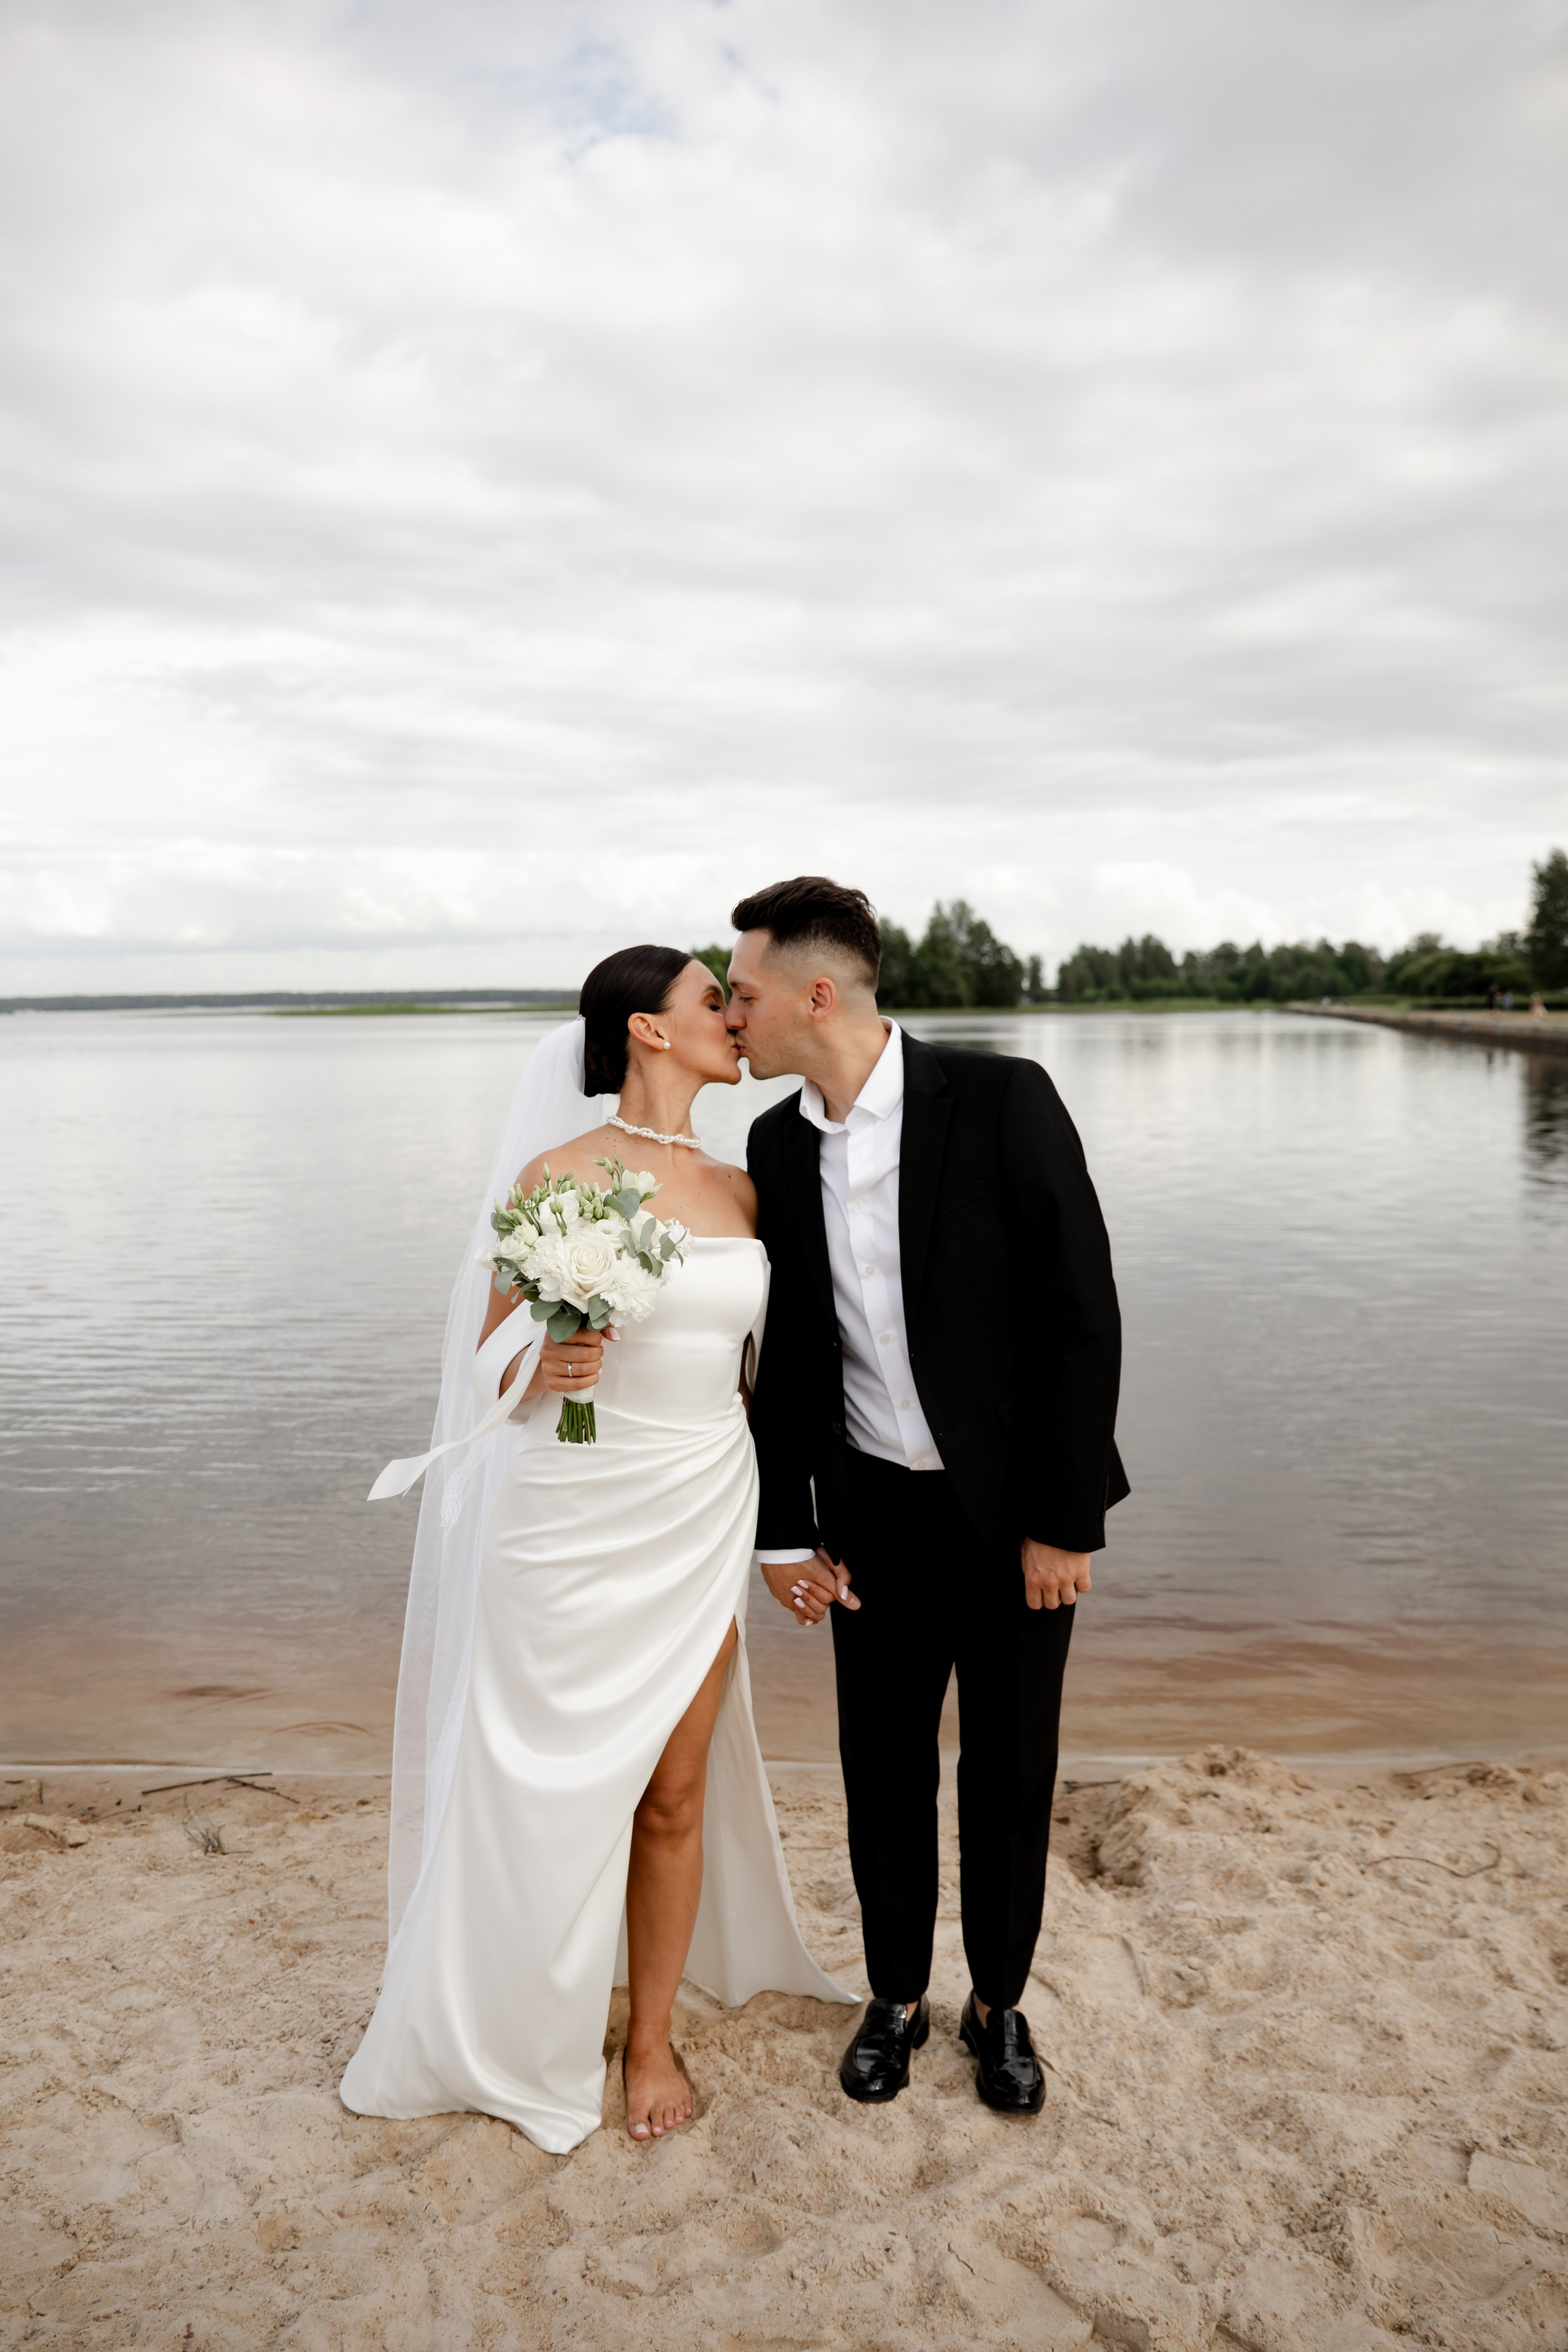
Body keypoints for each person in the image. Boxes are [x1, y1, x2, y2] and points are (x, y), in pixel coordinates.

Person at [340, 948, 847, 2154]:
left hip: (698, 1502)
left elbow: (784, 1382)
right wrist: (540, 1366)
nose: (731, 1016)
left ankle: (649, 2034)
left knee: (673, 1791)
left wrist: (805, 1531)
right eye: (706, 1001)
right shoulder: (556, 1176)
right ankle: (517, 2020)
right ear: (646, 1031)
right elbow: (484, 1364)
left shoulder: (744, 1189)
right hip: (566, 1518)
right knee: (541, 1786)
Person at [726, 878, 1127, 2116]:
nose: (729, 1014)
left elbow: (1079, 1316)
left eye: (740, 993)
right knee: (879, 1766)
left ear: (816, 993)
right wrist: (785, 1530)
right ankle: (895, 1995)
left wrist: (1065, 1517)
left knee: (1009, 1772)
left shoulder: (1001, 1099)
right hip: (871, 1521)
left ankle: (997, 2002)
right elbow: (788, 1357)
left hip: (1009, 1517)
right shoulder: (775, 1144)